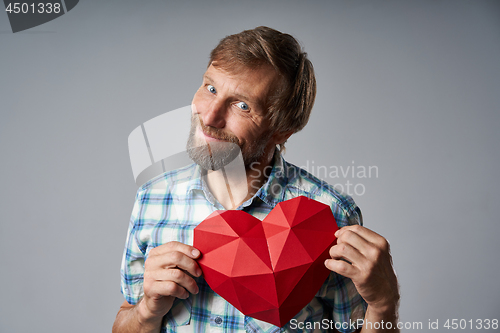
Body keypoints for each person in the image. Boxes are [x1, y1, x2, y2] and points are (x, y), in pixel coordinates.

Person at [112, 26, 399, 333]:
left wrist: (384, 304)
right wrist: (146, 310)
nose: (209, 117)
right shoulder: (153, 198)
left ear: (282, 131)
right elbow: (125, 320)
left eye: (242, 105)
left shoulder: (330, 216)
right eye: (210, 88)